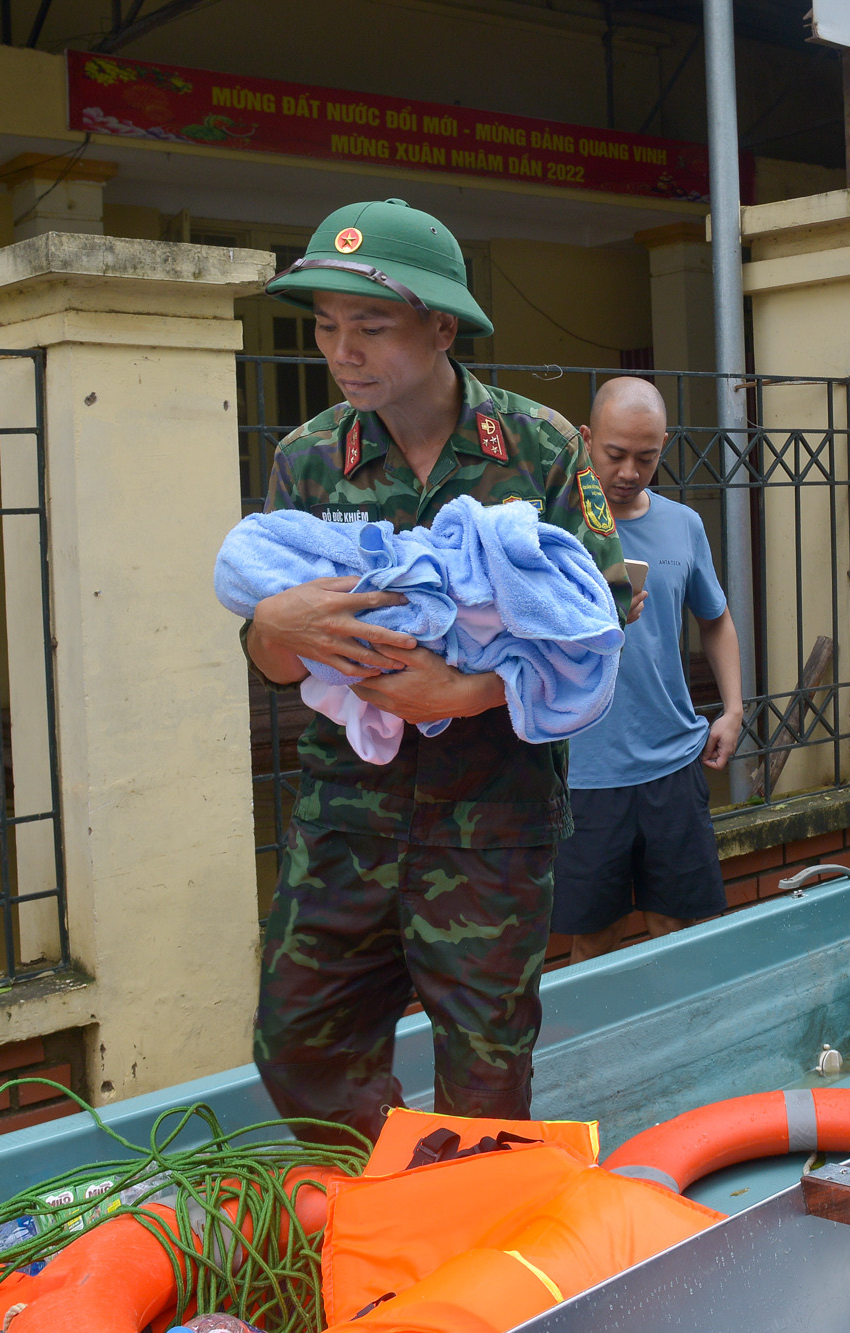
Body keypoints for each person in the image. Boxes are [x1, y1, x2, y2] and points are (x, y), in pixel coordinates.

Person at [244, 199, 636, 1143]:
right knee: (296, 1041)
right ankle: (385, 1196)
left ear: (441, 326)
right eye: (327, 328)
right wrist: (275, 620)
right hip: (347, 810)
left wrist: (461, 693)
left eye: (371, 328)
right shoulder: (307, 460)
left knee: (487, 1073)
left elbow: (605, 613)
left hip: (490, 818)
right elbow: (268, 661)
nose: (344, 352)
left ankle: (466, 1251)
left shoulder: (538, 447)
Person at [554, 377, 743, 964]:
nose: (630, 471)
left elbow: (715, 617)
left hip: (671, 759)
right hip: (583, 768)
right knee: (594, 938)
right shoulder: (551, 526)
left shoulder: (682, 524)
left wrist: (734, 709)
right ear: (587, 441)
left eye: (647, 457)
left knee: (679, 927)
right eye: (615, 455)